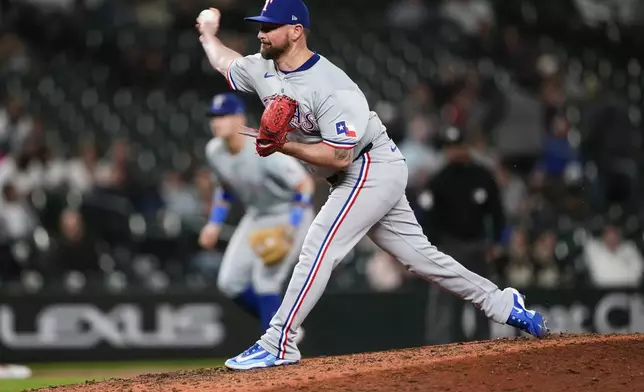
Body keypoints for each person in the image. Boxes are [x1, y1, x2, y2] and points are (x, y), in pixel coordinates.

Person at [196, 0, 548, 371]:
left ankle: (279, 341)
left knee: (318, 245)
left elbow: (339, 158)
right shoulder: (262, 68)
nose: (261, 33)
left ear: (296, 31)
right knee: (421, 258)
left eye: (270, 26)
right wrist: (208, 34)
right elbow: (224, 61)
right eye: (260, 26)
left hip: (369, 164)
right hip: (358, 172)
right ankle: (504, 303)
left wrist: (286, 145)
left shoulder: (332, 86)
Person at [199, 92, 315, 334]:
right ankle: (283, 327)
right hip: (257, 215)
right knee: (229, 283)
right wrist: (214, 224)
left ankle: (273, 342)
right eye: (214, 116)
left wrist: (291, 228)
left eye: (223, 115)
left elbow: (304, 185)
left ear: (239, 117)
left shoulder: (263, 146)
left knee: (265, 281)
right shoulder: (214, 151)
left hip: (289, 213)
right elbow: (225, 188)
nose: (216, 121)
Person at [419, 126, 505, 344]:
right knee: (442, 299)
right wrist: (433, 246)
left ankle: (485, 342)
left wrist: (495, 242)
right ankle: (439, 346)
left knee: (482, 296)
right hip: (448, 247)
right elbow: (427, 217)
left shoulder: (482, 176)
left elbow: (496, 211)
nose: (454, 151)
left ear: (466, 147)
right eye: (450, 147)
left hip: (477, 245)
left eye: (457, 146)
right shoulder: (438, 180)